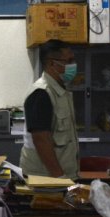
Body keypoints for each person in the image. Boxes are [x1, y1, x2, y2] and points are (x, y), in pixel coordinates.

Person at [19, 39, 80, 179]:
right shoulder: (41, 93)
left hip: (62, 176)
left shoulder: (60, 91)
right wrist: (59, 177)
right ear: (52, 63)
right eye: (69, 61)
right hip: (46, 178)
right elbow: (41, 139)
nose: (73, 65)